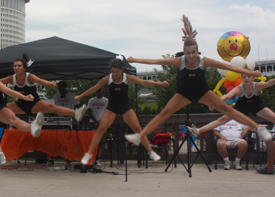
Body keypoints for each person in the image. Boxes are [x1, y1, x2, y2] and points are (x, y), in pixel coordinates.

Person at [124, 15, 272, 148]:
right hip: (184, 93)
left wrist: (251, 72)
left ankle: (259, 128)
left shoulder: (204, 61)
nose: (191, 55)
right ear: (184, 52)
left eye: (193, 52)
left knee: (227, 110)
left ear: (197, 51)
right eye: (188, 53)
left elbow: (227, 66)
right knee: (165, 113)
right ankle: (140, 137)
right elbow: (156, 61)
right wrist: (135, 59)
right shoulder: (179, 61)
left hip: (203, 91)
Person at [76, 55, 170, 165]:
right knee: (101, 128)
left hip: (125, 106)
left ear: (121, 70)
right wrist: (80, 96)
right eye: (113, 72)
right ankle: (89, 154)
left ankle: (151, 152)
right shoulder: (107, 78)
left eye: (117, 72)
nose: (115, 74)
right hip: (112, 107)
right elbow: (94, 88)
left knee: (137, 128)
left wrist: (161, 84)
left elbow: (143, 82)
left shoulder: (127, 77)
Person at [0, 52, 86, 122]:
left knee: (52, 108)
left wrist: (50, 84)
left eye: (19, 66)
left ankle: (76, 113)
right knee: (0, 109)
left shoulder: (29, 77)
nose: (16, 67)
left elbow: (40, 81)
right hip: (20, 104)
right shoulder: (11, 78)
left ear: (24, 68)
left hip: (34, 103)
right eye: (15, 66)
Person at [188, 74, 275, 137]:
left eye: (249, 76)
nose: (247, 78)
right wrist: (214, 104)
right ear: (242, 78)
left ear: (253, 78)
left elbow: (269, 83)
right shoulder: (239, 88)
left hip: (257, 105)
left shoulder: (257, 85)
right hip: (241, 107)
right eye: (244, 77)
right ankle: (198, 131)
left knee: (273, 117)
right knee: (222, 119)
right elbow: (227, 96)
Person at [87, 88, 108, 165]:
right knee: (92, 141)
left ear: (102, 91)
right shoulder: (91, 100)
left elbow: (108, 112)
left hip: (102, 124)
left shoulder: (106, 101)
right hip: (93, 123)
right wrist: (96, 121)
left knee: (101, 142)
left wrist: (102, 121)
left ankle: (98, 158)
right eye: (97, 91)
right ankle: (92, 158)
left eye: (99, 91)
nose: (98, 93)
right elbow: (89, 112)